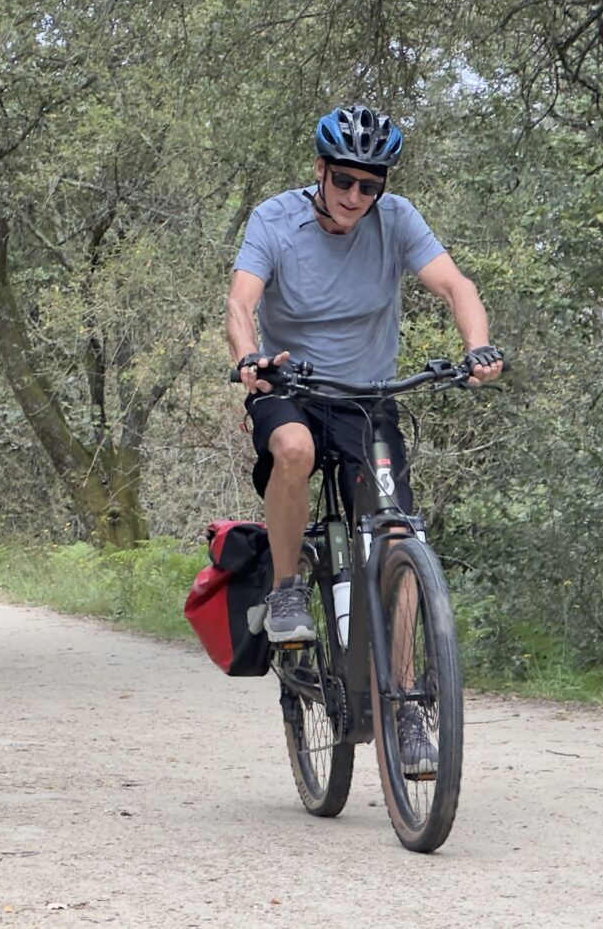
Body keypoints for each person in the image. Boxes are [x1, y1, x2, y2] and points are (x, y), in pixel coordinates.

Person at [226, 104, 504, 772]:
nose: (355, 196)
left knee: (398, 539)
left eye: (369, 185)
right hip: (289, 385)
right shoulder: (275, 219)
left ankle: (405, 709)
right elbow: (240, 302)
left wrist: (478, 346)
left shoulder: (397, 219)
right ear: (320, 170)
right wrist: (248, 360)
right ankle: (287, 588)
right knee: (293, 450)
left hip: (367, 401)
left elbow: (456, 286)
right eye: (344, 180)